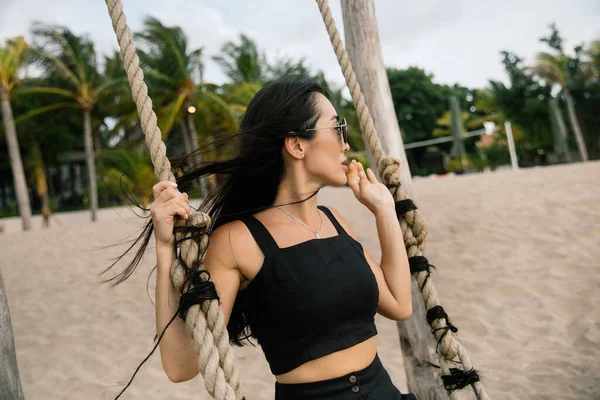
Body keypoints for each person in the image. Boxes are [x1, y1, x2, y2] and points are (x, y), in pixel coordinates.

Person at [112, 77, 415, 399]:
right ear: (297, 145)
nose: (345, 144)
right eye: (336, 128)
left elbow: (399, 304)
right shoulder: (237, 240)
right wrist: (164, 251)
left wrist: (383, 210)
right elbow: (181, 366)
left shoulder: (334, 221)